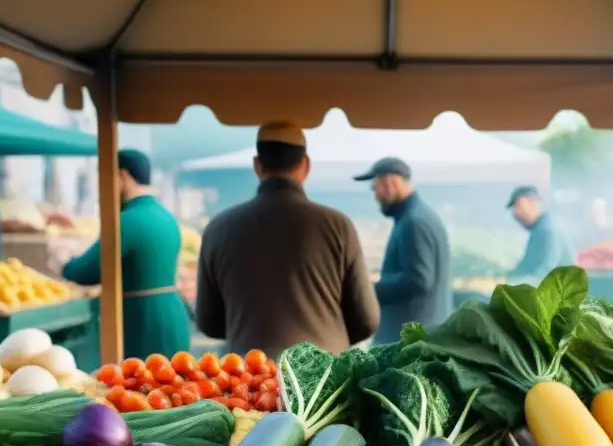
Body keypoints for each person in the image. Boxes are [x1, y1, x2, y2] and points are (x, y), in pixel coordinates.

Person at [197, 122, 379, 357]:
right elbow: (367, 320)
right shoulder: (338, 226)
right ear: (306, 165)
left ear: (257, 166)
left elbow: (208, 322)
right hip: (325, 378)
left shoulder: (219, 228)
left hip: (250, 381)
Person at [63, 150, 190, 359]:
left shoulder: (126, 221)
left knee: (142, 387)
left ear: (122, 175)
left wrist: (64, 262)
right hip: (173, 315)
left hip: (144, 323)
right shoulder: (166, 216)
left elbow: (86, 271)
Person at [355, 157, 451, 344]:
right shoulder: (419, 216)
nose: (375, 196)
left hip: (408, 342)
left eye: (375, 188)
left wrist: (366, 289)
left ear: (392, 183)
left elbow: (418, 280)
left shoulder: (413, 222)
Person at [506, 186, 575, 282]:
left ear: (533, 202)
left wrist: (513, 284)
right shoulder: (538, 229)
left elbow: (545, 270)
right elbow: (527, 265)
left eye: (518, 207)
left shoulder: (549, 229)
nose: (516, 214)